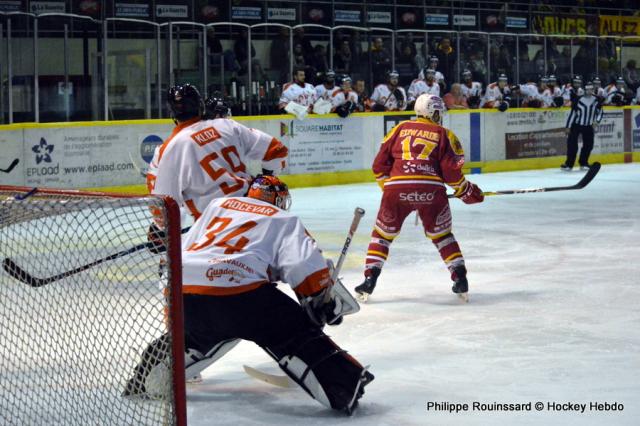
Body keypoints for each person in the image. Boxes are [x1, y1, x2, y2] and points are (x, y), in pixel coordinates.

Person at [125, 175, 374, 415]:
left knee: (200, 331)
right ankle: (345, 387)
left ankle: (144, 376)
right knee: (292, 330)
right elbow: (302, 266)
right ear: (278, 200)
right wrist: (320, 300)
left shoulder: (217, 206)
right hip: (239, 295)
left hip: (182, 290)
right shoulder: (282, 218)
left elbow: (180, 250)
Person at [355, 94, 484, 302]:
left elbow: (378, 166)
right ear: (432, 113)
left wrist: (389, 188)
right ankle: (460, 278)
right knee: (442, 236)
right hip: (431, 189)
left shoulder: (398, 129)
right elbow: (452, 174)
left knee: (382, 235)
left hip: (396, 188)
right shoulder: (445, 135)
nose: (440, 116)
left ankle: (369, 280)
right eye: (438, 112)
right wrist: (467, 192)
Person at [149, 84, 288, 223]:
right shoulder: (227, 126)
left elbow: (162, 210)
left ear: (171, 113)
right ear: (200, 105)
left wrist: (160, 232)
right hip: (251, 212)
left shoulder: (167, 150)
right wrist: (264, 179)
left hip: (213, 228)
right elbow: (277, 151)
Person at [561, 81, 603, 172]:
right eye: (587, 89)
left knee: (588, 145)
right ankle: (569, 164)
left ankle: (584, 163)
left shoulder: (597, 100)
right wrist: (568, 127)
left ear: (593, 89)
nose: (589, 91)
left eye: (591, 89)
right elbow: (572, 114)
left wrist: (597, 121)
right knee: (572, 145)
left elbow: (600, 112)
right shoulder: (578, 100)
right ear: (584, 90)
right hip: (576, 125)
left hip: (588, 126)